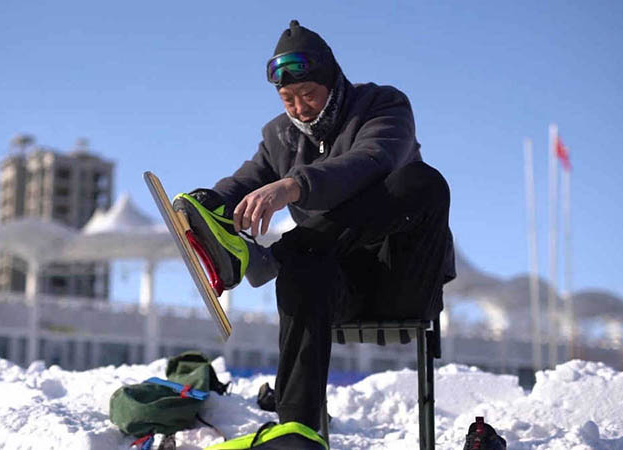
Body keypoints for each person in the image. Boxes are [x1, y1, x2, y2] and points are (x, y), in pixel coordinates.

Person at [173, 20, 455, 432]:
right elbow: (247, 180)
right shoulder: (280, 137)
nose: (300, 108)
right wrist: (207, 205)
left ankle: (271, 259)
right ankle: (298, 430)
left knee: (423, 182)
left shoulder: (383, 105)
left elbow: (373, 160)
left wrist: (293, 186)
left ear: (332, 81)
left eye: (308, 94)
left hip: (401, 278)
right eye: (288, 99)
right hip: (340, 289)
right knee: (304, 267)